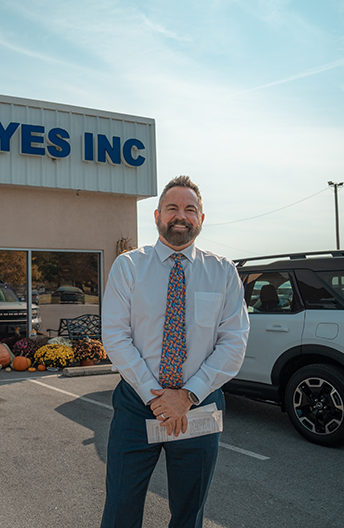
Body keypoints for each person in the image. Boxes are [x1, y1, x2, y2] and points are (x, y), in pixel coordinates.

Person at [100, 176, 250, 528]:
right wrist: (158, 398)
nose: (180, 216)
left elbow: (234, 341)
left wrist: (186, 396)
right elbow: (116, 336)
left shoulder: (223, 272)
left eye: (189, 209)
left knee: (189, 512)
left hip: (199, 407)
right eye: (172, 208)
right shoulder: (128, 267)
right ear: (156, 216)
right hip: (137, 407)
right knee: (121, 507)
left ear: (200, 218)